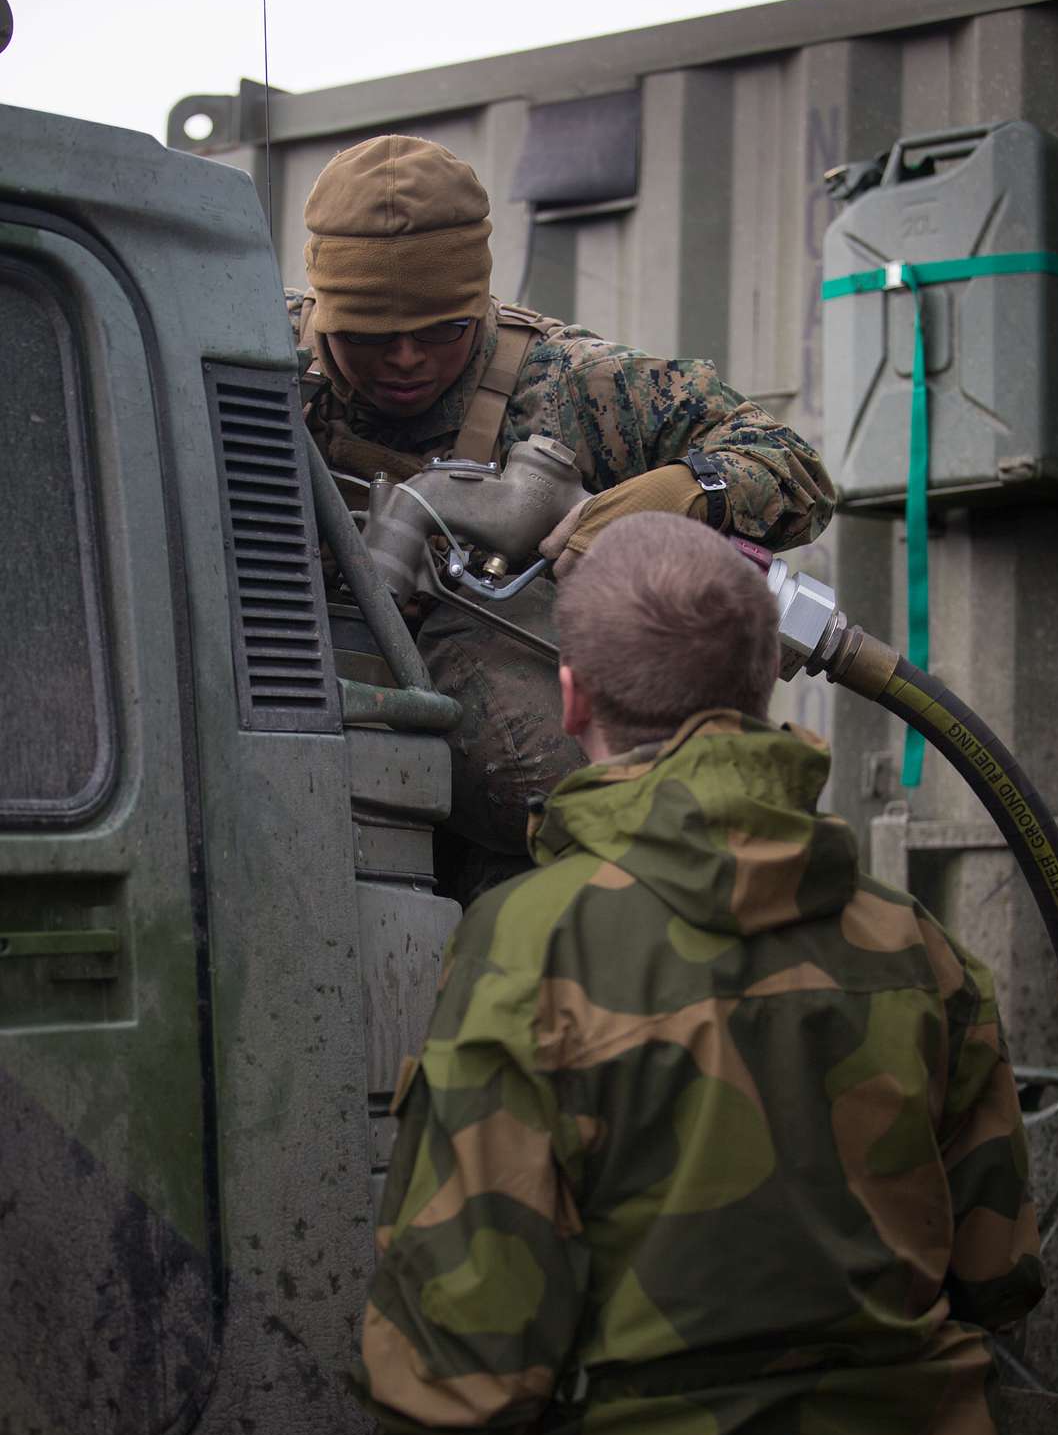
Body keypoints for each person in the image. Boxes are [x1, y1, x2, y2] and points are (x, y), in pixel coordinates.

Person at [352, 512, 1044, 1435]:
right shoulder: (918, 951)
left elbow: (458, 1362)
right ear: (767, 679)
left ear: (570, 694)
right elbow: (995, 1279)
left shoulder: (531, 948)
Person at [291, 134, 835, 899]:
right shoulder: (254, 358)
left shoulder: (578, 385)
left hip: (519, 809)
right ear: (321, 311)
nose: (407, 360)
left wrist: (683, 489)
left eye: (442, 331)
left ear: (477, 298)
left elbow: (793, 465)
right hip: (299, 762)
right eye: (369, 339)